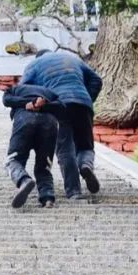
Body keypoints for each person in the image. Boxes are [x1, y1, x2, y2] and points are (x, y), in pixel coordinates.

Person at [21, 49, 104, 195]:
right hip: (82, 102)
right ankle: (86, 165)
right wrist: (87, 99)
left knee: (65, 149)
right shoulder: (72, 59)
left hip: (58, 105)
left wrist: (36, 107)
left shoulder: (34, 65)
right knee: (85, 145)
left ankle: (74, 192)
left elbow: (23, 90)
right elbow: (96, 80)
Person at [2, 83, 63, 208]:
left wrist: (28, 104)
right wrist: (39, 104)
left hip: (24, 120)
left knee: (13, 160)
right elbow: (61, 106)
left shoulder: (16, 88)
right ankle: (47, 198)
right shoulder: (49, 92)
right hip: (49, 124)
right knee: (43, 166)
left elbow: (6, 100)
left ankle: (24, 180)